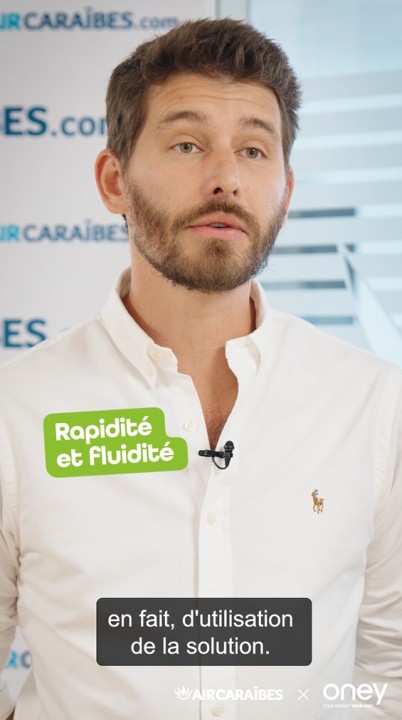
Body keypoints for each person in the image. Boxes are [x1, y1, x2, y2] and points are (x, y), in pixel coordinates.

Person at [0, 17, 401, 720]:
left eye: (254, 150)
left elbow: (390, 667)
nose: (226, 179)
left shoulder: (372, 403)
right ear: (114, 181)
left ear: (285, 190)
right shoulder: (18, 409)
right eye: (187, 144)